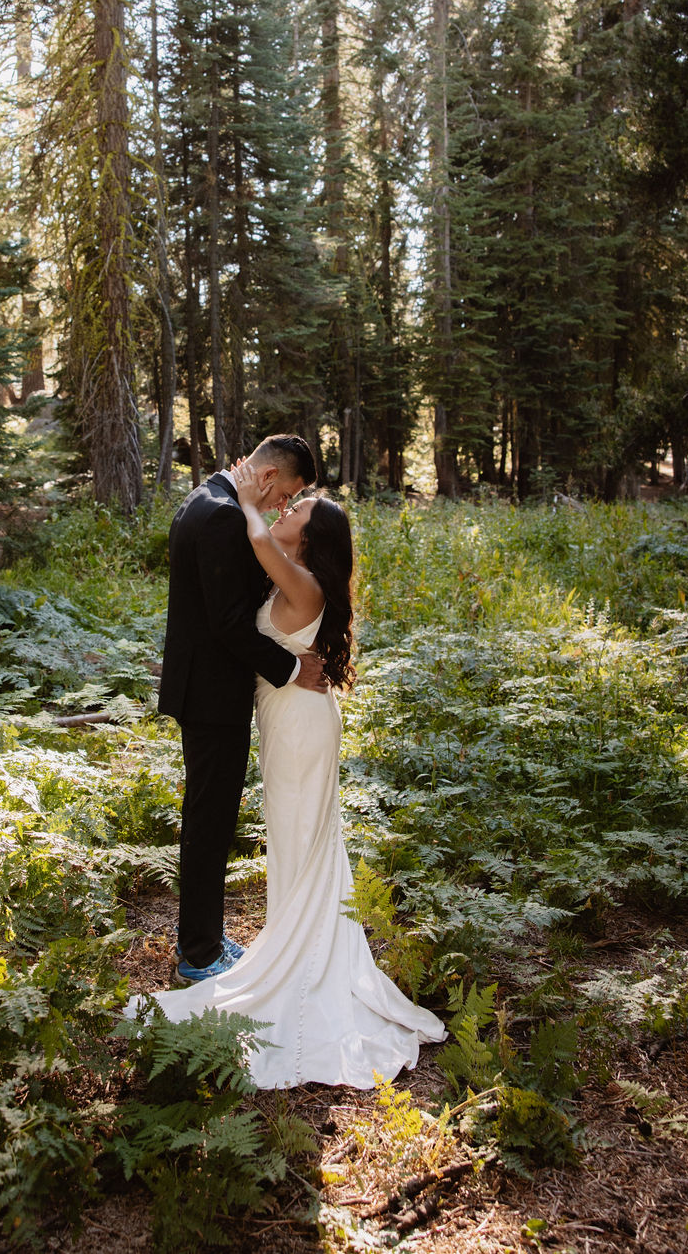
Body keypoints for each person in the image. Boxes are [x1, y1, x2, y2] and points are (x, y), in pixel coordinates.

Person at [128, 462, 446, 1089]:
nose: (287, 509)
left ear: (310, 537)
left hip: (301, 720)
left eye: (297, 510)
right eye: (289, 499)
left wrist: (246, 498)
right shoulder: (288, 565)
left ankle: (304, 960)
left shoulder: (299, 578)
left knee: (302, 834)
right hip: (283, 714)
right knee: (291, 834)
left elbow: (252, 539)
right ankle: (288, 942)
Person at [157, 435, 327, 984]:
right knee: (209, 821)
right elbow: (228, 623)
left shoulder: (205, 498)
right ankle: (199, 953)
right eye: (288, 496)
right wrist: (291, 668)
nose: (283, 509)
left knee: (209, 817)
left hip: (202, 687)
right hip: (212, 695)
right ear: (272, 475)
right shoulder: (226, 517)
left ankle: (202, 938)